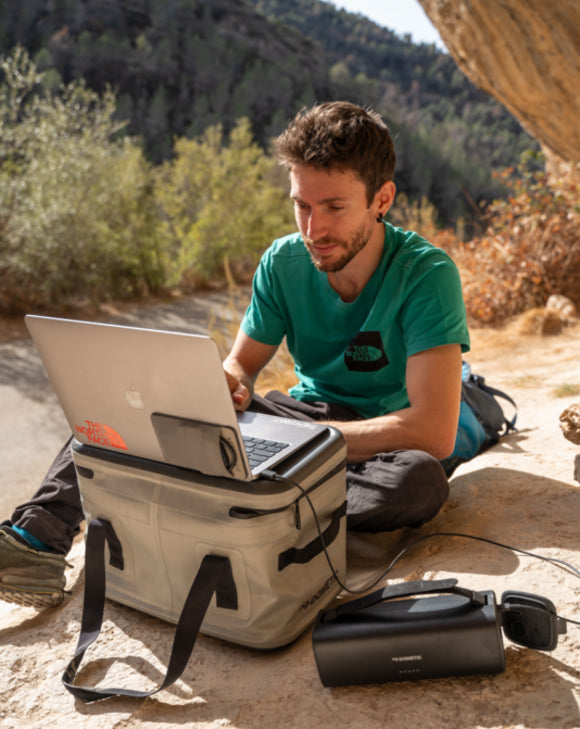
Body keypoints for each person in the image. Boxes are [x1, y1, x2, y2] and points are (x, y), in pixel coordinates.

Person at [0, 101, 470, 610]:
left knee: (417, 481)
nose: (314, 230)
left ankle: (233, 504)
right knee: (125, 410)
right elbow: (241, 364)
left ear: (382, 199)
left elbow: (432, 431)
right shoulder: (283, 262)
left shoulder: (427, 274)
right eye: (302, 206)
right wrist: (222, 384)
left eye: (334, 207)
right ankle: (35, 540)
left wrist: (304, 444)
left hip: (377, 441)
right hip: (300, 418)